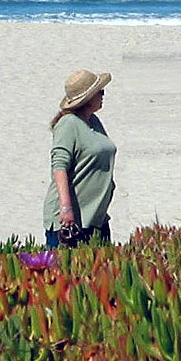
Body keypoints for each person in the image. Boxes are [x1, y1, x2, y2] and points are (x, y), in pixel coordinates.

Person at [44, 69, 117, 247]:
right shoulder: (69, 124)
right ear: (88, 97)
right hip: (73, 220)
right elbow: (59, 166)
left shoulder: (94, 122)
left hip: (96, 217)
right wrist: (66, 209)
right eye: (99, 91)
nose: (103, 94)